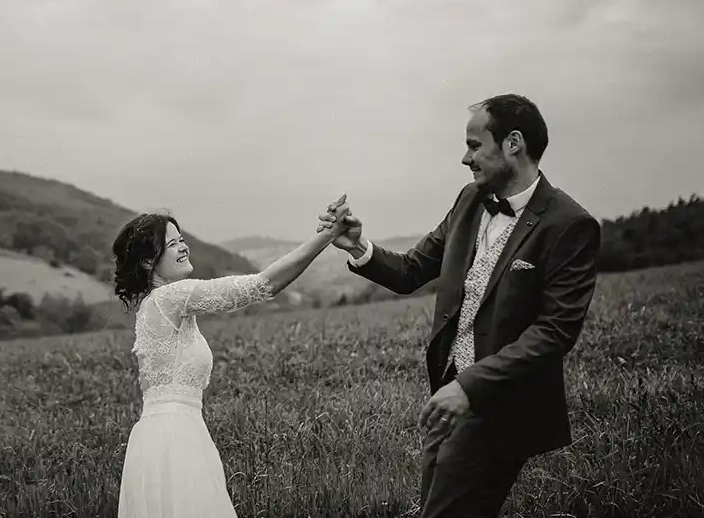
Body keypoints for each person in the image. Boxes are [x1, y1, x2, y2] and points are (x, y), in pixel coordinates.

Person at [318, 94, 601, 517]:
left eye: (474, 145)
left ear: (513, 144)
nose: (465, 158)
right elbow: (411, 270)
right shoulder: (469, 200)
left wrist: (470, 385)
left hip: (502, 407)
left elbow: (554, 332)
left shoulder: (569, 225)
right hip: (447, 398)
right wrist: (358, 246)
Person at [115, 195, 352, 518]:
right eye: (172, 244)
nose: (183, 247)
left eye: (182, 240)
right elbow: (262, 285)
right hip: (175, 437)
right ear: (147, 263)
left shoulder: (155, 306)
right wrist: (327, 236)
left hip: (160, 437)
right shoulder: (171, 297)